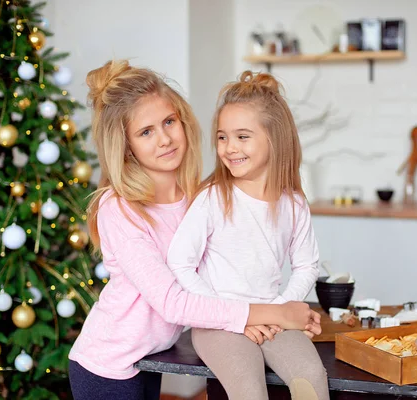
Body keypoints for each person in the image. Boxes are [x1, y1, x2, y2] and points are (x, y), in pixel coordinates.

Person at [67, 61, 322, 400]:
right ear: (126, 146)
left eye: (169, 122)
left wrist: (288, 315)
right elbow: (173, 303)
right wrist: (270, 313)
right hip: (107, 365)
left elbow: (221, 274)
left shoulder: (196, 198)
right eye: (146, 132)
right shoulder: (120, 208)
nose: (165, 139)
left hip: (149, 360)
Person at [167, 71, 329, 400]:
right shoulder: (212, 198)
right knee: (248, 388)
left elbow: (307, 264)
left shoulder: (293, 202)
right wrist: (233, 318)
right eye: (222, 137)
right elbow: (180, 262)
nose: (229, 148)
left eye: (242, 136)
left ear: (275, 137)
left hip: (272, 316)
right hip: (217, 322)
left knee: (311, 378)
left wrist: (281, 310)